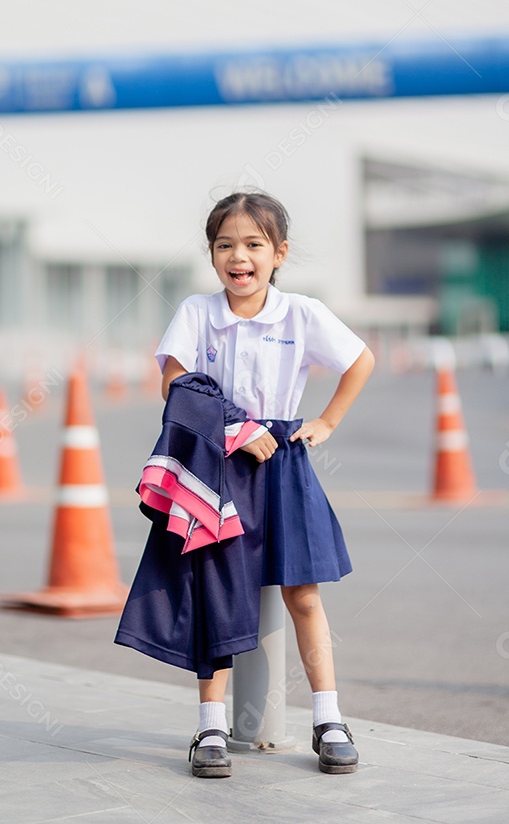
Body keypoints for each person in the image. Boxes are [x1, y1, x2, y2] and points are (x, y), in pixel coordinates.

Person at [115, 191, 374, 779]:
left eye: (254, 244)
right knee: (218, 592)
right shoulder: (197, 312)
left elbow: (360, 360)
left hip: (283, 462)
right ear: (212, 255)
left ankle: (329, 719)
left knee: (303, 592)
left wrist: (327, 421)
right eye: (226, 244)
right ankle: (210, 724)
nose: (240, 256)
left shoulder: (301, 314)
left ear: (278, 253)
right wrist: (235, 427)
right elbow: (176, 387)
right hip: (220, 465)